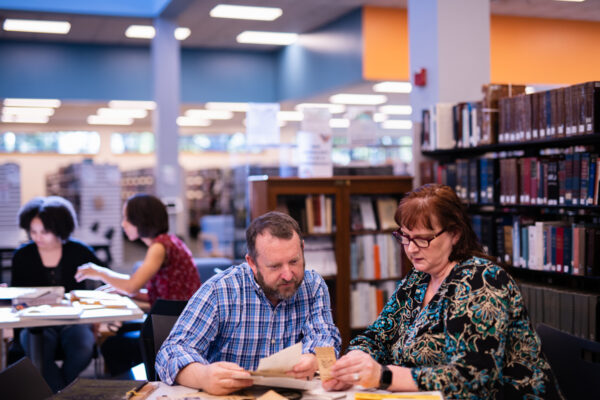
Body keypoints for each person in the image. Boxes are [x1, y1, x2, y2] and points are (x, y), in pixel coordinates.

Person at [324, 184, 563, 399]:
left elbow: (472, 381)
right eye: (405, 237)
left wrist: (384, 376)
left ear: (455, 233)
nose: (411, 249)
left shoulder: (482, 282)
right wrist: (352, 365)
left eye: (423, 239)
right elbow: (377, 337)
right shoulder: (418, 278)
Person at [155, 211, 341, 395]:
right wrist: (203, 376)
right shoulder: (220, 290)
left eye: (294, 261)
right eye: (275, 266)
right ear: (252, 262)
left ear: (302, 248)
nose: (288, 274)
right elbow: (170, 353)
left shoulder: (313, 285)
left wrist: (314, 358)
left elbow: (326, 338)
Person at [75, 193, 201, 376]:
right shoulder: (169, 242)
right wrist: (125, 293)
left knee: (112, 344)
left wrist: (99, 272)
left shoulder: (159, 248)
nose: (122, 224)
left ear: (141, 220)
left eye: (127, 218)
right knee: (118, 333)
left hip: (172, 327)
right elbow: (161, 296)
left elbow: (132, 285)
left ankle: (133, 389)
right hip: (175, 320)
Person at [11, 196, 102, 392]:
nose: (37, 237)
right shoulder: (22, 255)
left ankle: (59, 390)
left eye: (44, 232)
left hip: (74, 321)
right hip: (36, 323)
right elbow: (16, 298)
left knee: (83, 347)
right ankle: (64, 392)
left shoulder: (79, 251)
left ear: (60, 229)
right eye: (33, 231)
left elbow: (106, 278)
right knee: (36, 352)